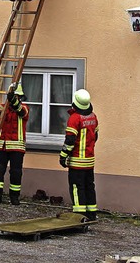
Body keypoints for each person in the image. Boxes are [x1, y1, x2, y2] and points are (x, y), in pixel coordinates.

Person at [0, 83, 29, 206]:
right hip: (3, 146)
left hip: (17, 147)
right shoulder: (4, 108)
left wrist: (13, 100)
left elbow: (21, 111)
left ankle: (14, 198)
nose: (15, 99)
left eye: (16, 97)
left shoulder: (25, 108)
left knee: (15, 173)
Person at [59, 89, 99, 221]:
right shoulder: (93, 117)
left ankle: (79, 216)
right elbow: (95, 136)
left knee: (77, 188)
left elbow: (70, 141)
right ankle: (92, 214)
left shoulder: (74, 118)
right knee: (89, 186)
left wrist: (63, 156)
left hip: (77, 161)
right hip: (89, 160)